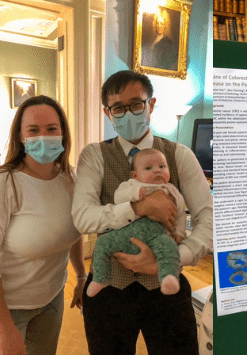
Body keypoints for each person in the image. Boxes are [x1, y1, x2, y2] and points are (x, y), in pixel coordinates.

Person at [72, 70, 212, 355]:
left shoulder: (179, 154)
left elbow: (208, 218)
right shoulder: (93, 155)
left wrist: (171, 259)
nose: (128, 113)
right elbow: (83, 216)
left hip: (167, 287)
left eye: (136, 104)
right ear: (107, 113)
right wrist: (137, 207)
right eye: (118, 108)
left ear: (151, 104)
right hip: (108, 288)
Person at [0, 95, 86, 355]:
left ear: (63, 133)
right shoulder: (6, 183)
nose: (44, 136)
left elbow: (74, 228)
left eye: (51, 129)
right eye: (33, 130)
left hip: (52, 298)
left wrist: (81, 275)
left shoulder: (72, 178)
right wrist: (5, 331)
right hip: (9, 306)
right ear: (21, 138)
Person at [87, 148, 187, 297]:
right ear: (135, 175)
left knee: (169, 247)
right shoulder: (132, 185)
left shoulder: (171, 190)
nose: (157, 171)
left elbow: (180, 213)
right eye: (148, 168)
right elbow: (118, 197)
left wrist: (179, 232)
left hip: (156, 237)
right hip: (127, 234)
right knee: (102, 242)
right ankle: (101, 278)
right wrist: (134, 194)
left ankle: (168, 277)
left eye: (162, 167)